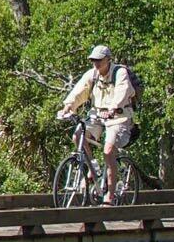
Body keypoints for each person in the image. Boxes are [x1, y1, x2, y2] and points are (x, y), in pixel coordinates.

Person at [55, 44, 140, 203]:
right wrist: (67, 107)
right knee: (78, 136)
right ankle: (94, 169)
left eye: (99, 60)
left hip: (119, 117)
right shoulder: (92, 74)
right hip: (97, 115)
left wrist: (113, 108)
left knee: (108, 151)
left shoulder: (119, 73)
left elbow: (123, 91)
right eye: (93, 60)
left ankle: (110, 195)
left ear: (108, 59)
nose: (96, 63)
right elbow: (79, 91)